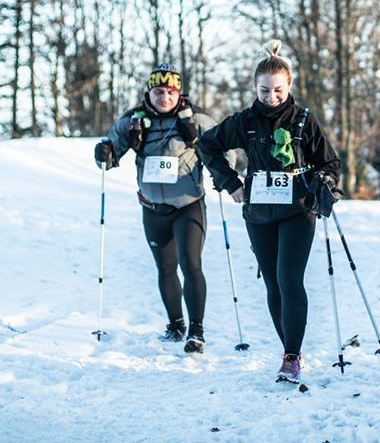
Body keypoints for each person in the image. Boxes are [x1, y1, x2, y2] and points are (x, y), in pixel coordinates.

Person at [198, 40, 342, 383]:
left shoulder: (304, 120)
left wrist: (326, 183)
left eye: (278, 90)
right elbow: (208, 145)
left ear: (289, 86)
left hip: (297, 209)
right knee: (274, 286)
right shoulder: (245, 121)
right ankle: (289, 349)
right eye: (264, 90)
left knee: (290, 280)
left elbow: (330, 162)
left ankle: (291, 356)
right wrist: (231, 182)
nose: (271, 96)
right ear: (254, 87)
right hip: (259, 213)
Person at [94, 63, 223, 354]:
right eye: (158, 91)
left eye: (170, 92)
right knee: (165, 268)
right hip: (152, 207)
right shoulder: (133, 120)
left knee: (190, 264)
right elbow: (110, 152)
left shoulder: (196, 119)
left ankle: (196, 331)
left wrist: (210, 153)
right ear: (148, 92)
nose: (164, 97)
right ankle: (175, 325)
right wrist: (103, 153)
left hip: (188, 205)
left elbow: (225, 151)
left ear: (179, 93)